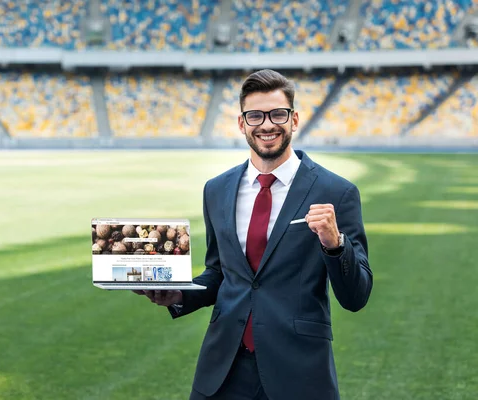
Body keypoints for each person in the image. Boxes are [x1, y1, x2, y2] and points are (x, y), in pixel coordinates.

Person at [134, 69, 373, 400]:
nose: (267, 124)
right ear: (242, 123)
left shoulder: (337, 192)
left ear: (294, 119)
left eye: (278, 114)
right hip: (223, 371)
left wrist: (336, 246)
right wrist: (179, 294)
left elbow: (356, 297)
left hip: (299, 373)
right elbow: (221, 274)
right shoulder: (217, 189)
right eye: (255, 115)